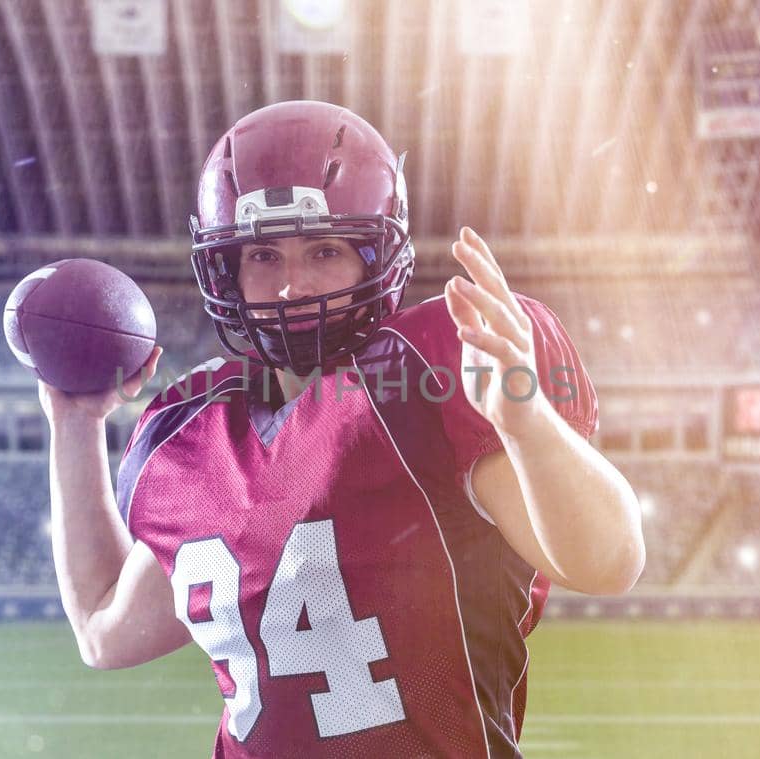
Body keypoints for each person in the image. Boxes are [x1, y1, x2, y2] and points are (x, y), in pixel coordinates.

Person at [40, 100, 644, 758]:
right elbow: (103, 629)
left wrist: (528, 425)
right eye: (263, 255)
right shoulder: (190, 432)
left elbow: (608, 560)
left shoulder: (431, 375)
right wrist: (74, 424)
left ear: (376, 255)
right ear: (227, 270)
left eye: (324, 250)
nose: (292, 286)